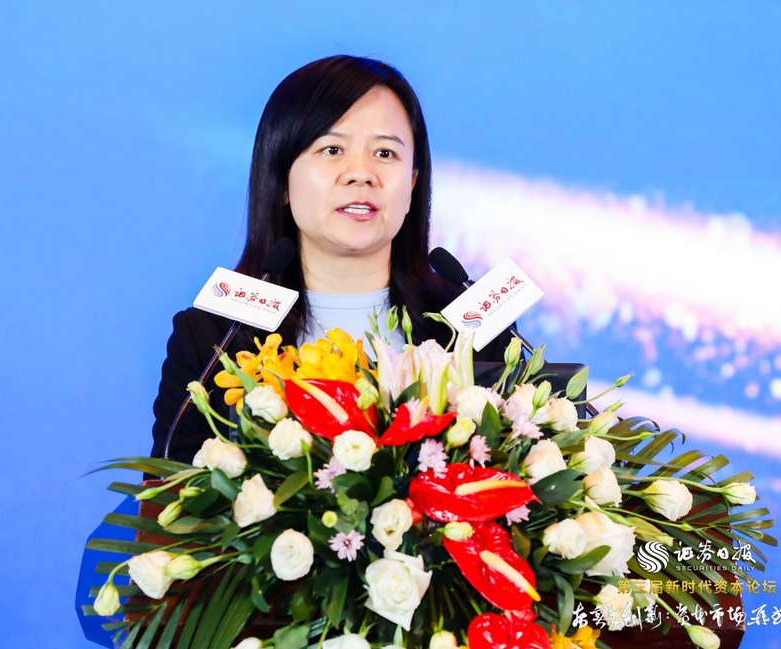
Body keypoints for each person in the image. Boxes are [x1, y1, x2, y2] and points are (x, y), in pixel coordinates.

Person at [150, 55, 516, 465]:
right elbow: (168, 488)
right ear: (281, 179)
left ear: (413, 183)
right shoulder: (216, 336)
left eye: (385, 153)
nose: (361, 174)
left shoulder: (475, 326)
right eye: (332, 149)